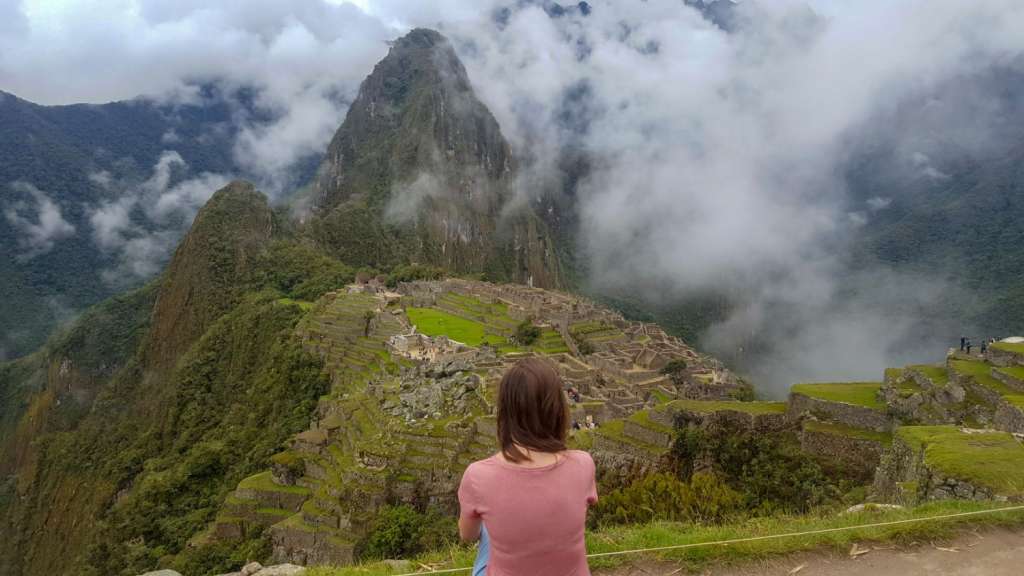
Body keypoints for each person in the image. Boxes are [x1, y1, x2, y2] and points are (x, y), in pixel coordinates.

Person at [458, 358, 598, 576]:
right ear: (558, 409)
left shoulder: (477, 475)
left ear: (505, 412)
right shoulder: (583, 464)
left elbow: (467, 536)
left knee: (486, 531)